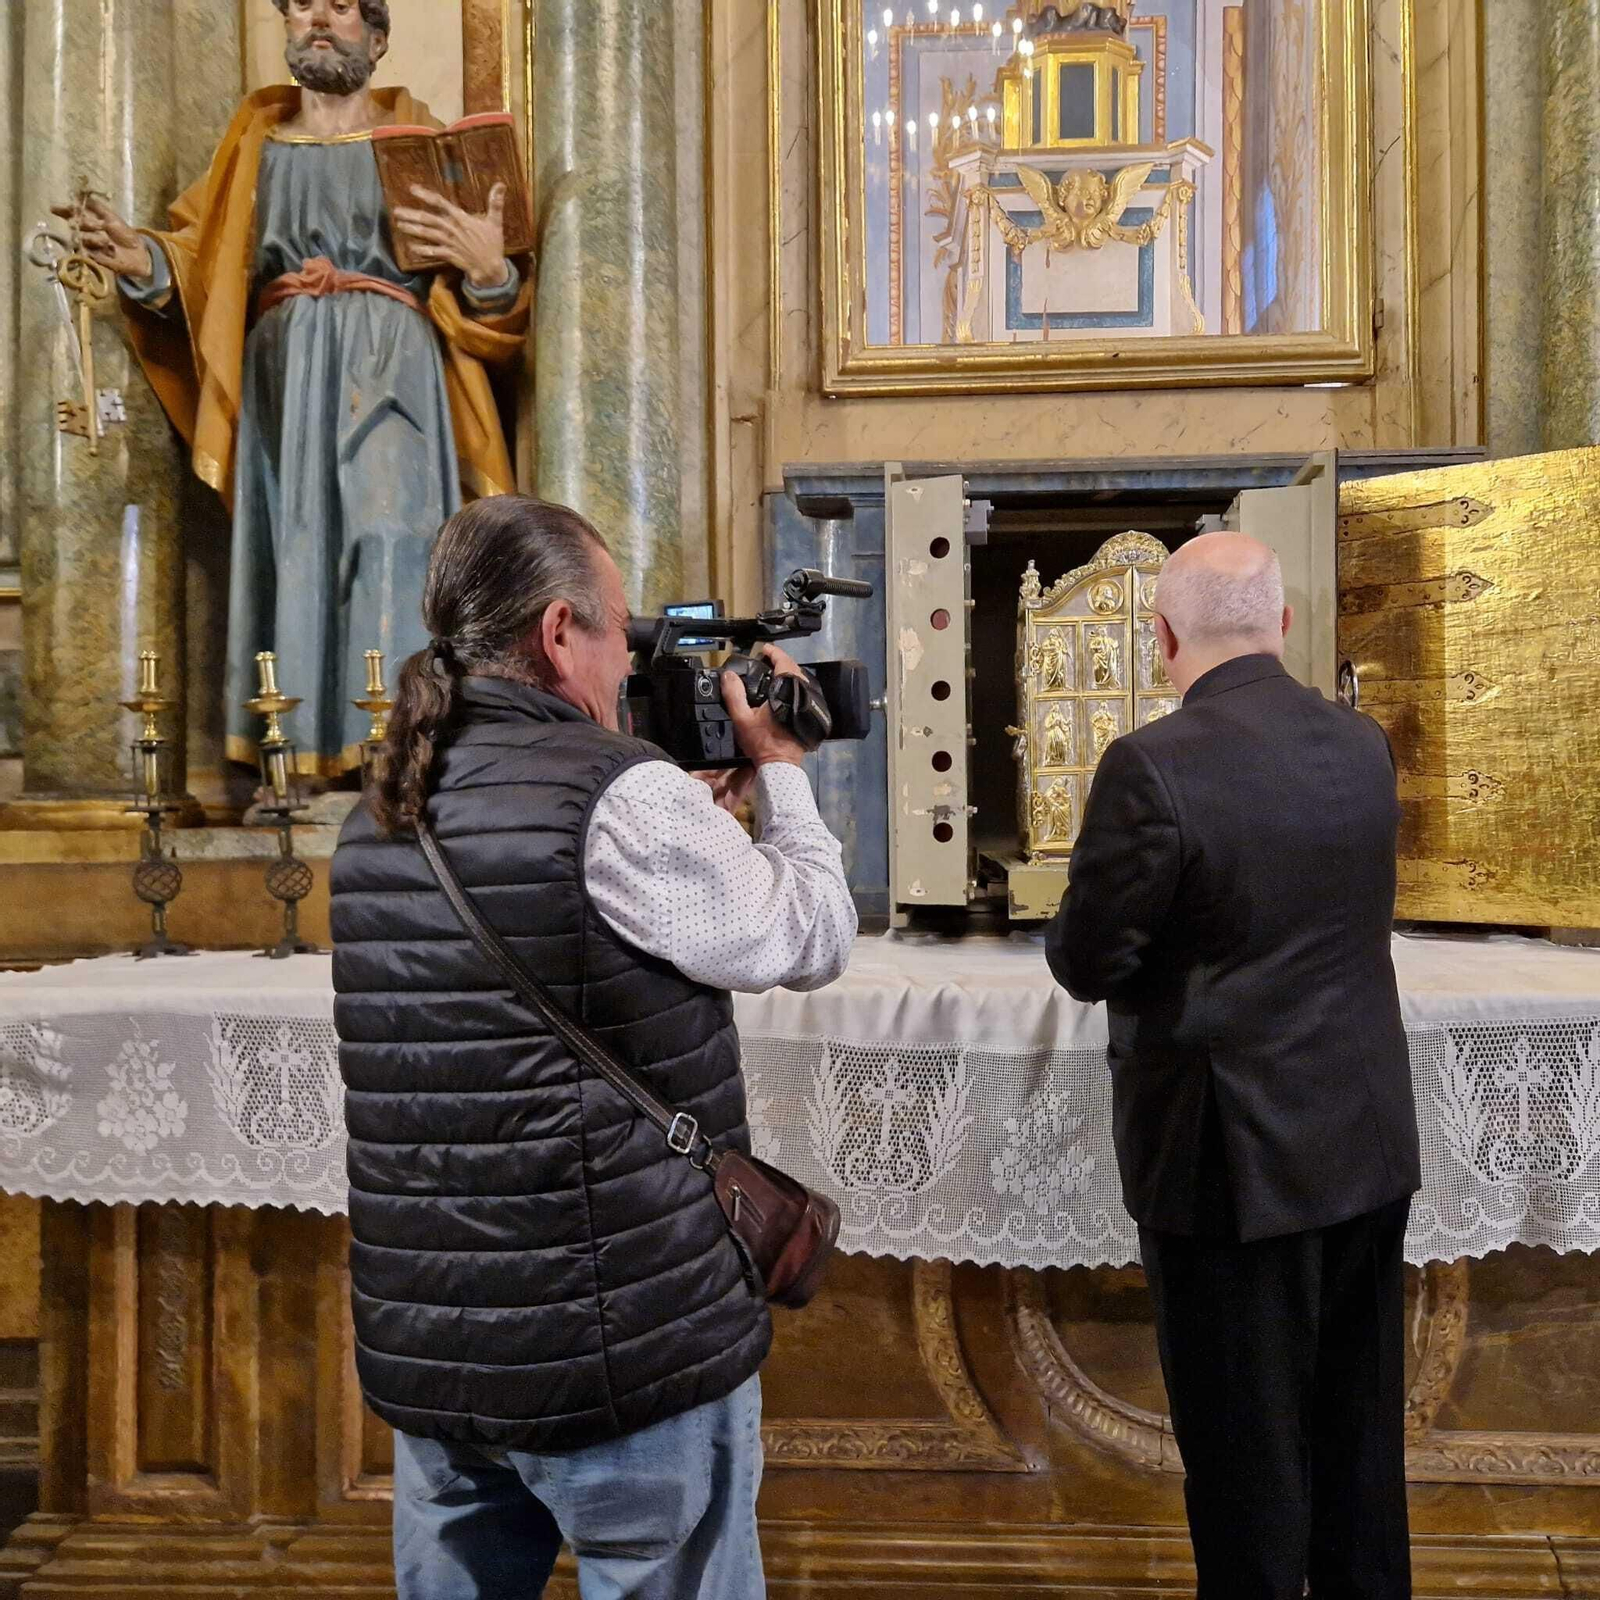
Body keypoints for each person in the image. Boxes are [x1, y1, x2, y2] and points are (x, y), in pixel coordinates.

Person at [329, 496, 857, 1599]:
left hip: (439, 1351)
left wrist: (698, 814)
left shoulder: (378, 807)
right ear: (559, 630)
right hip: (619, 1347)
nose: (631, 660)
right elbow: (808, 935)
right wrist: (786, 774)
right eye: (621, 629)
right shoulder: (622, 795)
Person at [1044, 532, 1421, 1600]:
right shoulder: (1359, 745)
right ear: (1284, 623)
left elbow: (1085, 959)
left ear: (1161, 638)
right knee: (1358, 1446)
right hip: (1360, 1138)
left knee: (1245, 1461)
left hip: (1228, 1162)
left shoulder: (1152, 765)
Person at [57, 0, 528, 775]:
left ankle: (394, 750)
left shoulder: (424, 144)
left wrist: (488, 269)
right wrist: (145, 263)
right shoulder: (254, 144)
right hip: (285, 372)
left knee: (394, 536)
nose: (319, 19)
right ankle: (300, 753)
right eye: (302, 5)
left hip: (394, 361)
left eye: (341, 7)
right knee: (296, 545)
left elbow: (492, 297)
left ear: (376, 37)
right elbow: (204, 260)